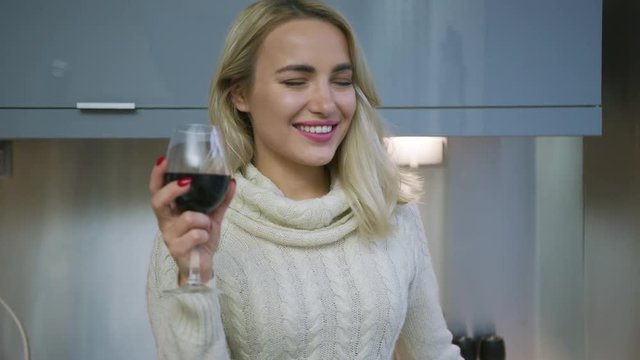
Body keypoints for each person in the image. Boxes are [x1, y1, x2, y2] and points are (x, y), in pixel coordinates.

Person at [147, 0, 463, 359]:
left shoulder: (390, 211)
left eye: (342, 81)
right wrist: (195, 277)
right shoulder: (193, 234)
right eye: (296, 81)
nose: (326, 104)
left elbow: (435, 354)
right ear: (240, 94)